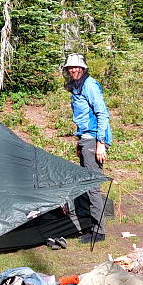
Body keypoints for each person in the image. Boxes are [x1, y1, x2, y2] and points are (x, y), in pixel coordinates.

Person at [61, 53, 111, 243]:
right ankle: (91, 226)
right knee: (86, 183)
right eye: (70, 68)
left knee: (92, 186)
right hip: (85, 139)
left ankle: (99, 231)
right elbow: (83, 118)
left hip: (94, 140)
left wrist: (100, 143)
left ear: (83, 68)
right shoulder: (76, 87)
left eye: (76, 67)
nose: (73, 70)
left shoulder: (89, 85)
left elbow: (102, 114)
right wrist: (79, 141)